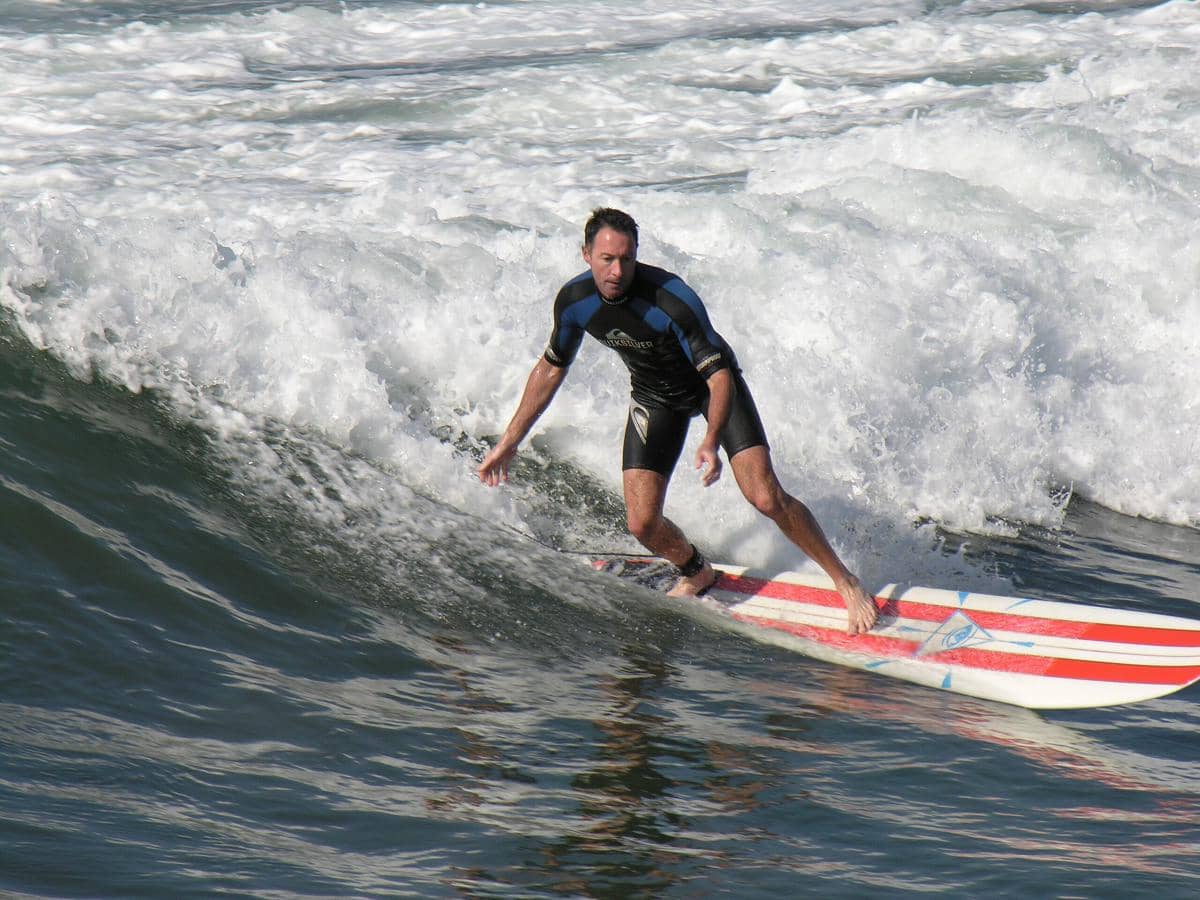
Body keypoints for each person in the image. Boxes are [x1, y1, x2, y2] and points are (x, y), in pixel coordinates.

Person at [478, 208, 878, 635]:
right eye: (607, 259)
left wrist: (709, 439)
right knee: (642, 524)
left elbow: (719, 374)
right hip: (655, 397)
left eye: (626, 259)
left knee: (765, 496)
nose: (617, 270)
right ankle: (696, 570)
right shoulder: (575, 303)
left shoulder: (670, 298)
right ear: (586, 255)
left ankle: (845, 580)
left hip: (712, 390)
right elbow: (552, 367)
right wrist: (510, 440)